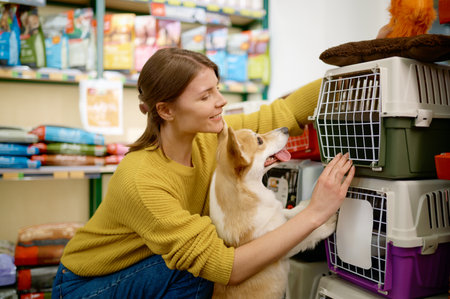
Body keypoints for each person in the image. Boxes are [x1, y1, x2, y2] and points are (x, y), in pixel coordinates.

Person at [52, 47, 355, 299]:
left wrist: (358, 69)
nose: (221, 101)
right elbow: (229, 268)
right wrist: (314, 213)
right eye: (205, 96)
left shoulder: (211, 139)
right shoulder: (141, 179)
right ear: (166, 111)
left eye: (218, 89)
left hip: (150, 268)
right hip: (86, 286)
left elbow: (278, 115)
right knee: (197, 272)